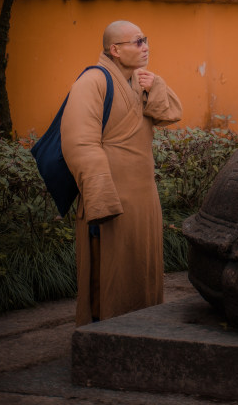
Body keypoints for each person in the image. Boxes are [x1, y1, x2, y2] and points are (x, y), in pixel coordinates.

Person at [61, 19, 182, 326]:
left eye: (146, 39)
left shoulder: (137, 80)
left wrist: (154, 84)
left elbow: (170, 114)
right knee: (110, 270)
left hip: (143, 194)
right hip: (112, 195)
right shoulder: (93, 82)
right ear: (115, 50)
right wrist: (100, 197)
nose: (146, 47)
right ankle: (105, 335)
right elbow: (80, 143)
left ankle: (144, 326)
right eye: (137, 42)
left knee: (142, 265)